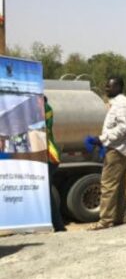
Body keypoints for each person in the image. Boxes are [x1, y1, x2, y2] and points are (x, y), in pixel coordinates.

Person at [87, 75, 126, 231]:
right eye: (106, 85)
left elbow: (123, 127)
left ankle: (106, 220)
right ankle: (118, 218)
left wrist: (101, 139)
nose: (106, 88)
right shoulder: (117, 104)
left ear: (119, 87)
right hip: (119, 148)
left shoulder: (121, 104)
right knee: (119, 186)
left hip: (117, 149)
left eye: (109, 86)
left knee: (108, 185)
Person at [44, 96, 66, 232]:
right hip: (47, 156)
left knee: (46, 192)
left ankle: (58, 226)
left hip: (49, 156)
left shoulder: (46, 108)